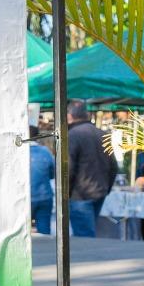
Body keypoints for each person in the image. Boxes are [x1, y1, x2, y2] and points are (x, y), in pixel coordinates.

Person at [66, 100, 116, 238]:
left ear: (70, 116)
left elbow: (68, 168)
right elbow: (113, 166)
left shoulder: (72, 135)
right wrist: (106, 188)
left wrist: (66, 193)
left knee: (85, 237)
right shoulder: (102, 134)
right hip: (98, 191)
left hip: (80, 194)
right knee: (88, 233)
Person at [28, 126, 56, 235]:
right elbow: (52, 173)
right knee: (44, 231)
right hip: (45, 196)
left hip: (25, 197)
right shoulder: (45, 152)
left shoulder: (18, 152)